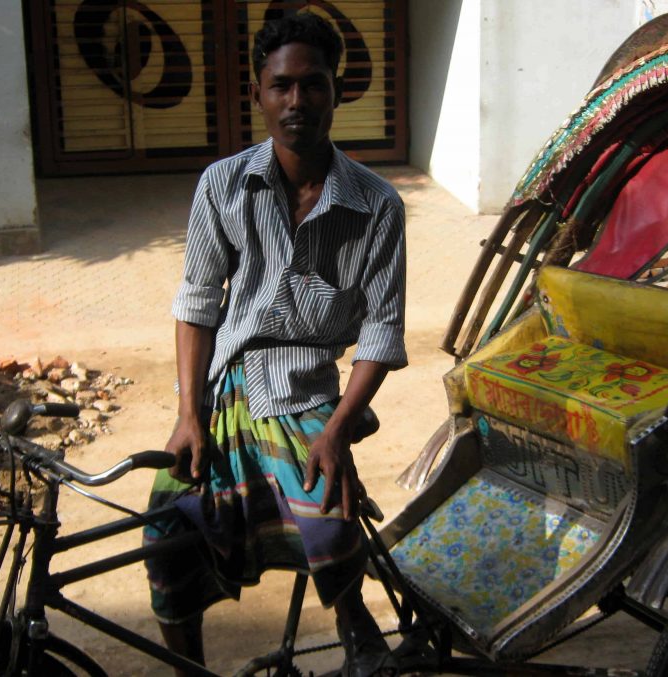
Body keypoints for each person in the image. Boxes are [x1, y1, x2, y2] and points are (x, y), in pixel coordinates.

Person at [143, 10, 406, 677]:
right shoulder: (222, 185)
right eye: (282, 86)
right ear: (258, 94)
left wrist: (339, 427)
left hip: (311, 388)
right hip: (227, 385)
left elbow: (381, 328)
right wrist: (186, 414)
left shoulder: (377, 205)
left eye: (312, 84)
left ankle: (360, 634)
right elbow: (197, 304)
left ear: (336, 93)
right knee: (166, 527)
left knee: (329, 518)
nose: (298, 102)